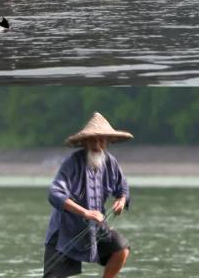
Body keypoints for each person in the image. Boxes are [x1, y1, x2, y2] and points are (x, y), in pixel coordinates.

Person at [43, 112, 132, 278]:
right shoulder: (72, 163)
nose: (97, 145)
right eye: (93, 140)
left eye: (101, 140)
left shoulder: (111, 162)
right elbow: (54, 193)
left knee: (121, 249)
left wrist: (121, 200)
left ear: (107, 142)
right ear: (84, 142)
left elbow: (123, 188)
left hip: (96, 228)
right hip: (65, 232)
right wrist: (85, 212)